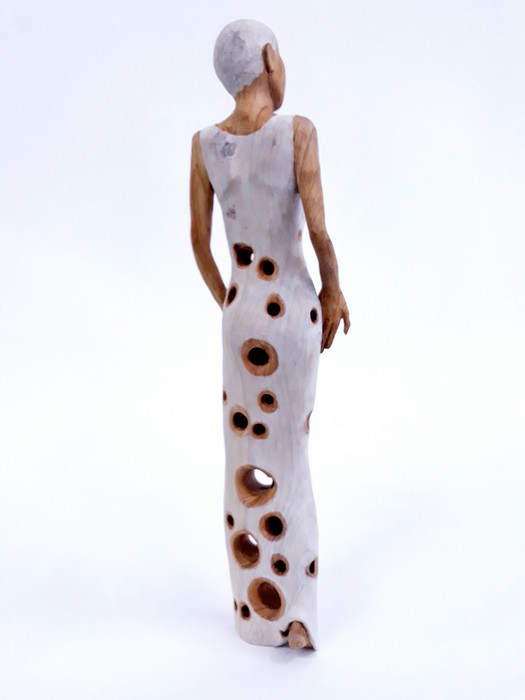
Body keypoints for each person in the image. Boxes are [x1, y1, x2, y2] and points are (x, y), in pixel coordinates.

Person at [190, 19, 349, 649]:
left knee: (245, 459)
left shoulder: (204, 145)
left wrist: (233, 303)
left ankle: (253, 610)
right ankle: (297, 610)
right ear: (269, 61)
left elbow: (198, 244)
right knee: (289, 457)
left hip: (242, 320)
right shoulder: (296, 132)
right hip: (291, 313)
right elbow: (319, 231)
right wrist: (333, 290)